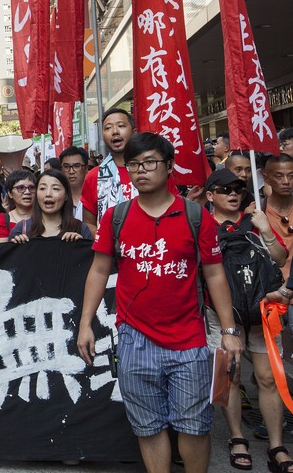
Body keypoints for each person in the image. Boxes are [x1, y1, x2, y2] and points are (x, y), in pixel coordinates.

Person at [77, 132, 243, 473]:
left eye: (150, 162)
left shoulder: (196, 217)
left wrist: (228, 330)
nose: (141, 170)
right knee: (148, 426)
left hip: (189, 339)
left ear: (169, 167)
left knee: (194, 426)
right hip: (135, 339)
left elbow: (214, 275)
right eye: (134, 164)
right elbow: (98, 271)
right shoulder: (116, 218)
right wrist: (85, 324)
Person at [202, 168, 291, 472]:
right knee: (229, 379)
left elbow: (279, 258)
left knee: (268, 378)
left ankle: (277, 444)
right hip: (219, 315)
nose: (233, 194)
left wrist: (265, 229)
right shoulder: (200, 225)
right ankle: (237, 437)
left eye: (238, 189)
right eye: (224, 189)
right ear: (210, 195)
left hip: (261, 312)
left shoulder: (255, 222)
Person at [81, 107, 177, 231]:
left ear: (134, 132)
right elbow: (89, 222)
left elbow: (174, 210)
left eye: (121, 126)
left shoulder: (157, 171)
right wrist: (106, 246)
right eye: (108, 128)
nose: (115, 131)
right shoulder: (94, 176)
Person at [8, 169, 92, 242]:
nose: (48, 194)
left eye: (55, 189)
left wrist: (81, 246)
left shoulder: (81, 230)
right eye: (42, 188)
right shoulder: (21, 229)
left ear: (66, 195)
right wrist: (17, 247)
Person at [263, 154, 293, 277]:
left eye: (291, 176)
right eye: (279, 176)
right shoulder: (257, 212)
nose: (286, 182)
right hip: (272, 287)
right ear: (267, 178)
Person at [0, 170, 36, 243]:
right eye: (21, 188)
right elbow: (0, 250)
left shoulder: (45, 216)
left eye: (31, 187)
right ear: (10, 194)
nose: (27, 192)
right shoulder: (3, 220)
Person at [59, 146, 90, 222]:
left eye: (76, 166)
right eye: (66, 167)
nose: (71, 171)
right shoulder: (57, 198)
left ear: (86, 169)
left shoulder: (95, 196)